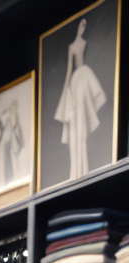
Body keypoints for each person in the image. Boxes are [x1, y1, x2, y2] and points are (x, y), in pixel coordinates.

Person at [54, 16, 107, 181]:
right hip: (76, 81)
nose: (82, 29)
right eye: (81, 27)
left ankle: (83, 169)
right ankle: (76, 172)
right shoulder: (72, 47)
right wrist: (67, 93)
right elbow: (70, 70)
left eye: (84, 27)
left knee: (81, 125)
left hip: (83, 77)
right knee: (76, 125)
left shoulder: (83, 44)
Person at [0, 99, 25, 194]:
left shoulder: (15, 121)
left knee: (9, 171)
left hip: (10, 149)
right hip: (3, 149)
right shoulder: (5, 121)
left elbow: (19, 139)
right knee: (2, 171)